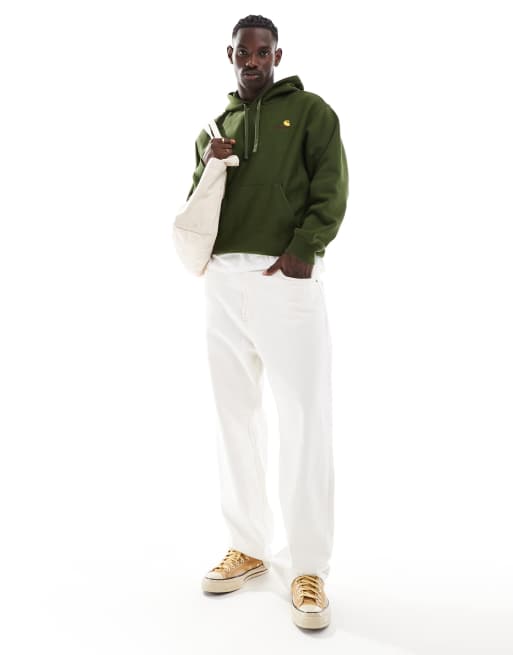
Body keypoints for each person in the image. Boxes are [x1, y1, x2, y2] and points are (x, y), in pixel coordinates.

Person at [186, 14, 349, 630]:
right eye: (242, 52)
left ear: (277, 55)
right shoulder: (214, 128)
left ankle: (308, 567)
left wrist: (305, 249)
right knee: (235, 415)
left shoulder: (310, 112)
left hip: (285, 281)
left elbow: (331, 185)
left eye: (262, 52)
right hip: (223, 282)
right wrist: (211, 164)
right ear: (229, 54)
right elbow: (195, 204)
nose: (251, 61)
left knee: (304, 417)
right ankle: (248, 547)